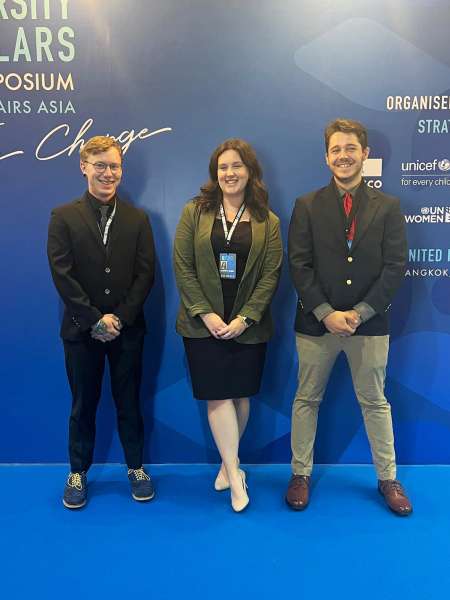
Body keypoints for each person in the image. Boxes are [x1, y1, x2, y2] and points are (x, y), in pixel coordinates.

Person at [286, 119, 412, 516]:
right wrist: (326, 313)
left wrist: (358, 313)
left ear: (365, 154)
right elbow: (300, 266)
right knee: (306, 399)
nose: (343, 155)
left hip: (368, 324)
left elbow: (395, 267)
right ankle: (300, 474)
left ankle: (388, 479)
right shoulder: (306, 205)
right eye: (336, 149)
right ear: (327, 157)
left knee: (375, 402)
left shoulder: (388, 207)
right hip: (315, 323)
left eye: (350, 148)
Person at [174, 138, 282, 512]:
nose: (229, 173)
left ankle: (226, 464)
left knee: (241, 394)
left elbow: (271, 276)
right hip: (203, 324)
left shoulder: (268, 221)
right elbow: (183, 266)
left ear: (249, 171)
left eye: (236, 166)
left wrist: (244, 318)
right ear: (214, 173)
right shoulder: (195, 211)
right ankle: (236, 477)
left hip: (248, 326)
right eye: (222, 167)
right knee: (218, 394)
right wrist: (207, 314)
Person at [47, 136, 155, 509]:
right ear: (84, 166)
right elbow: (62, 274)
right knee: (83, 404)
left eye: (114, 166)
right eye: (100, 165)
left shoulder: (138, 219)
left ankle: (136, 468)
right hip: (81, 330)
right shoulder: (63, 216)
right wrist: (94, 319)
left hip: (128, 330)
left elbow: (146, 275)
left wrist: (119, 318)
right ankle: (77, 472)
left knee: (129, 402)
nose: (108, 173)